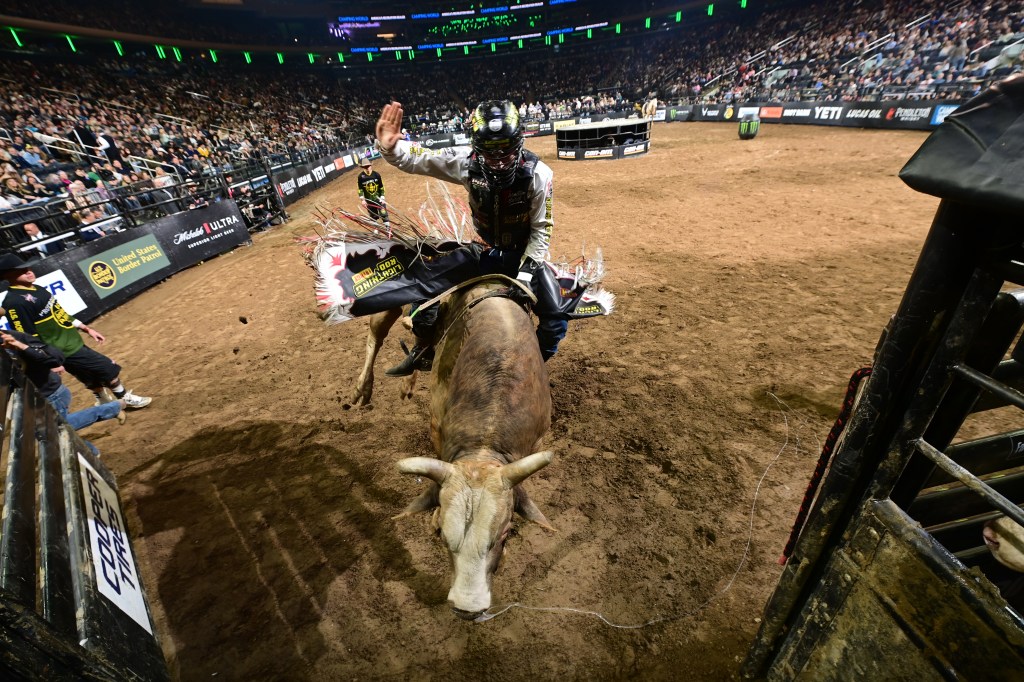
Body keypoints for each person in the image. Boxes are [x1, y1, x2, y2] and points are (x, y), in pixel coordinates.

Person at [374, 100, 568, 376]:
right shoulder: (465, 163)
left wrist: (526, 273)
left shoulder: (539, 174)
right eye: (491, 153)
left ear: (519, 143)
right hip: (485, 252)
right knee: (422, 287)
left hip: (525, 258)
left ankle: (534, 365)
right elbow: (422, 157)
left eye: (507, 151)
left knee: (556, 320)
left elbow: (542, 228)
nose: (500, 161)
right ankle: (423, 347)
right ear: (477, 147)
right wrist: (391, 147)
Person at [0, 253, 153, 409]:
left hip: (71, 342)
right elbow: (27, 336)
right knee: (107, 368)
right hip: (60, 349)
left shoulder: (37, 288)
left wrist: (85, 328)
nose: (29, 271)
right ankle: (124, 398)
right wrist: (48, 360)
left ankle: (103, 400)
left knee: (87, 375)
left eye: (27, 267)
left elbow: (60, 313)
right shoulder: (14, 302)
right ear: (8, 276)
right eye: (21, 270)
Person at [0, 324, 127, 455]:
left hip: (50, 394)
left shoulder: (14, 337)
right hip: (33, 397)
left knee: (51, 432)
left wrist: (21, 346)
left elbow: (54, 357)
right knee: (50, 432)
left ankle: (110, 411)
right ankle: (91, 451)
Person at [356, 157, 391, 233]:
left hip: (378, 199)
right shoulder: (361, 177)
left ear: (370, 166)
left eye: (368, 166)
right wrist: (362, 200)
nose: (367, 168)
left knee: (384, 214)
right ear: (362, 167)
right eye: (365, 167)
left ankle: (388, 229)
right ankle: (376, 230)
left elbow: (381, 187)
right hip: (369, 200)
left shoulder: (376, 175)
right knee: (373, 216)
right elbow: (360, 189)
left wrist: (382, 197)